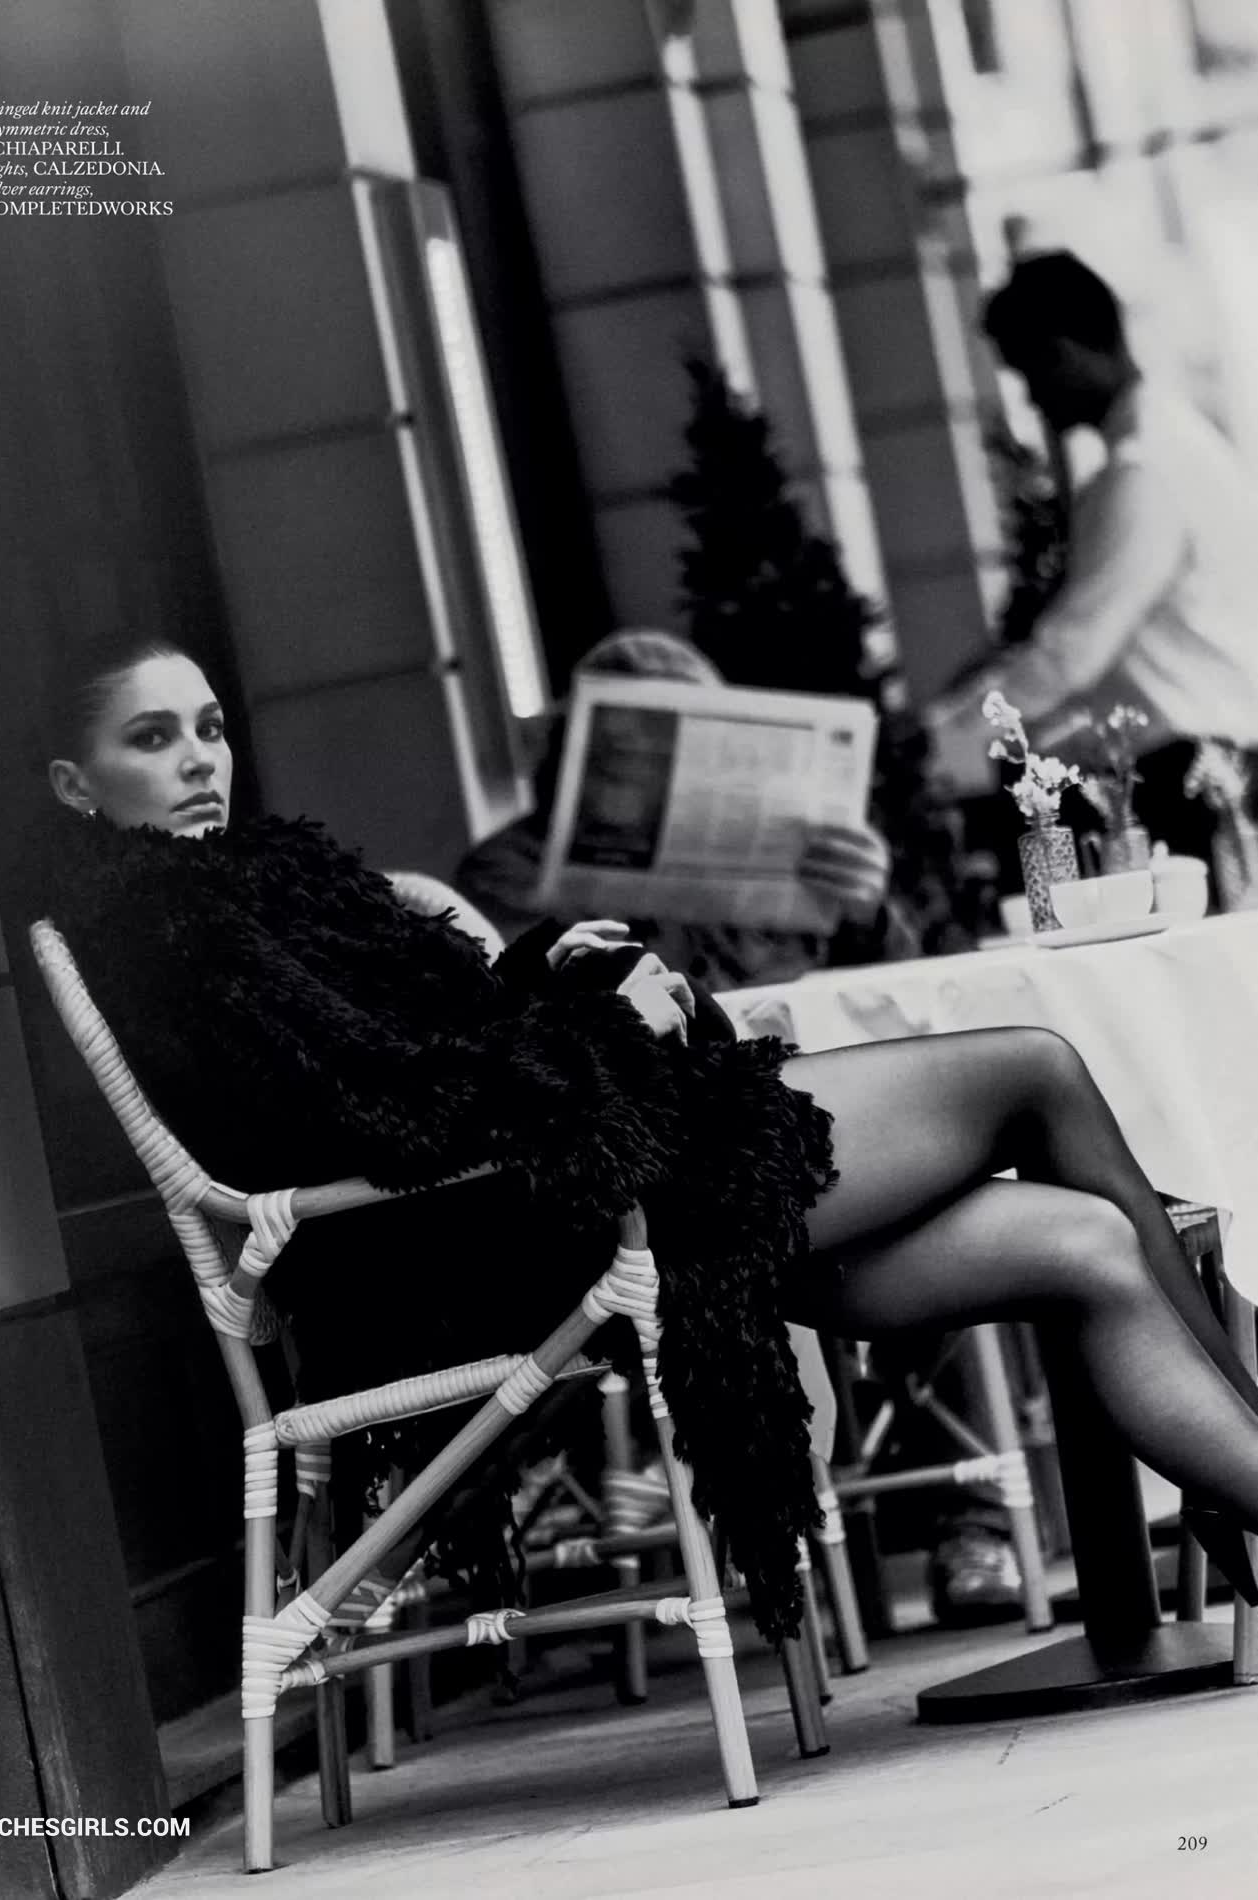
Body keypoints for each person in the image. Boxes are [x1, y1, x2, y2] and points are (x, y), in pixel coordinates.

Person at [39, 634, 1258, 1645]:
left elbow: (441, 1041)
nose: (198, 759)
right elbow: (392, 1110)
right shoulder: (168, 928)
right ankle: (1234, 1466)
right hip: (530, 1223)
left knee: (1092, 1244)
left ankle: (1233, 1480)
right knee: (1034, 1065)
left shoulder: (273, 883)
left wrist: (561, 975)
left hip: (589, 1177)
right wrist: (602, 1022)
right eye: (153, 738)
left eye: (209, 728)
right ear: (75, 784)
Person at [462, 629, 1021, 1625]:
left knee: (931, 1181)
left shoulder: (790, 840)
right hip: (654, 1177)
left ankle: (970, 1518)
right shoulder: (513, 870)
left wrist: (864, 906)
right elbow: (507, 1025)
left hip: (796, 1121)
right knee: (904, 1172)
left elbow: (897, 994)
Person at [929, 250, 1258, 868]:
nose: (1033, 399)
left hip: (1190, 778)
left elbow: (1071, 654)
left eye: (1028, 372)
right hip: (1218, 761)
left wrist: (942, 740)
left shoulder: (1142, 470)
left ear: (1063, 352)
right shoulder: (1183, 441)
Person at [458, 629, 915, 992]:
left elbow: (890, 995)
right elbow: (546, 1002)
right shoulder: (506, 869)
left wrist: (867, 916)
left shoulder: (775, 847)